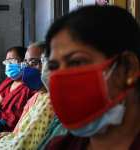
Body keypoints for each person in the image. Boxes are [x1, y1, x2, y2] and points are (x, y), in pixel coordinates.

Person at [44, 5, 140, 150]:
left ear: (128, 68)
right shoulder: (58, 146)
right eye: (53, 67)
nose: (61, 78)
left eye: (76, 62)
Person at [0, 42, 66, 150]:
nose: (27, 68)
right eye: (26, 63)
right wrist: (12, 135)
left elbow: (23, 144)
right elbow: (23, 131)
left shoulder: (49, 101)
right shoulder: (38, 96)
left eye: (33, 62)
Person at [0, 46, 36, 135]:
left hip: (10, 131)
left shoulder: (31, 87)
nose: (8, 65)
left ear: (24, 63)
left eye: (12, 61)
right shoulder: (8, 83)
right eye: (7, 62)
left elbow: (26, 120)